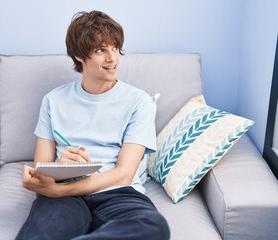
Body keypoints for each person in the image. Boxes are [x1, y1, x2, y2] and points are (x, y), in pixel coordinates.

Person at [16, 10, 170, 240]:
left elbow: (123, 174)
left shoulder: (139, 101)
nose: (112, 58)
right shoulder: (53, 100)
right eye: (101, 50)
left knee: (153, 227)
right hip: (65, 200)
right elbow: (41, 168)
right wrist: (58, 166)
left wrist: (58, 190)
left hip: (118, 195)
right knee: (44, 234)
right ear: (79, 55)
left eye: (115, 48)